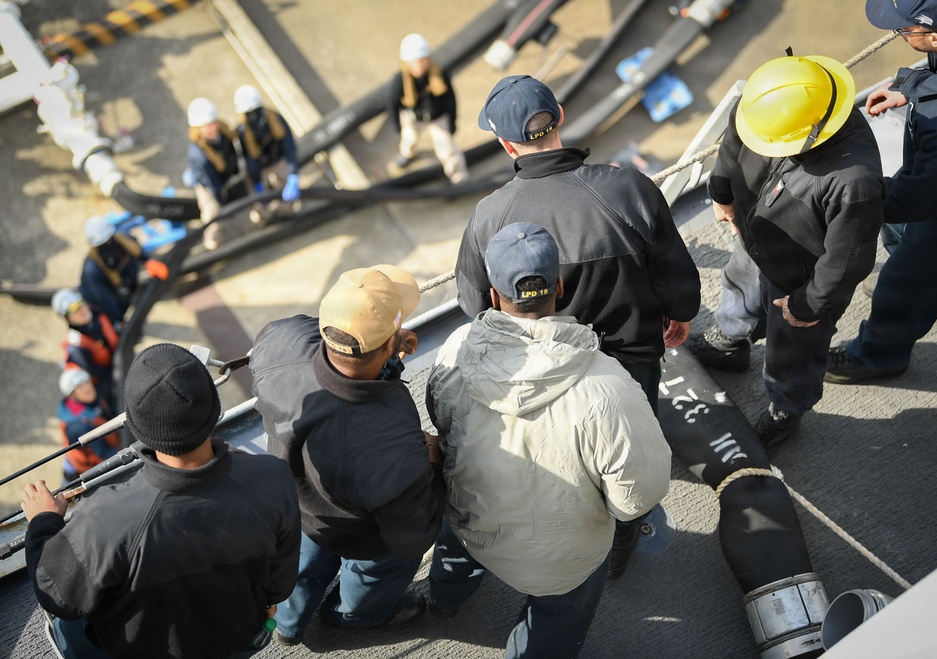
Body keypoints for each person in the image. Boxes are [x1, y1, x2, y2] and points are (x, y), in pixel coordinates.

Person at [455, 74, 700, 577]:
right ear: (560, 116)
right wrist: (680, 313)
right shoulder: (628, 187)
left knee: (562, 461)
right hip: (632, 363)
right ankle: (622, 544)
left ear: (506, 144)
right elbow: (674, 272)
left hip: (540, 372)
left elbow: (472, 301)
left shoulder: (489, 216)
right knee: (627, 450)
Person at [426, 222, 673, 659]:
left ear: (493, 293)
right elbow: (635, 501)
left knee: (454, 552)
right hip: (560, 563)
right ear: (560, 285)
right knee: (560, 619)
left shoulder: (454, 349)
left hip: (467, 525)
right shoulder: (610, 387)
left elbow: (440, 420)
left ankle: (443, 601)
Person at [22, 343, 301, 659]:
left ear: (138, 428)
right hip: (235, 640)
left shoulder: (105, 516)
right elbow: (279, 585)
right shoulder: (273, 476)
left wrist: (43, 522)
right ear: (214, 410)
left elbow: (60, 595)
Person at [685, 55, 885, 448]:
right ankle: (731, 342)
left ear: (813, 135)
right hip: (755, 237)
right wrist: (722, 194)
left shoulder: (854, 182)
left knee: (794, 352)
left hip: (801, 279)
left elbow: (846, 260)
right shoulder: (769, 99)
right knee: (738, 288)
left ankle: (786, 406)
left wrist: (809, 305)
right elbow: (734, 142)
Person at [250, 264, 445, 645]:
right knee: (384, 566)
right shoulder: (393, 443)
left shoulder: (280, 340)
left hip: (295, 510)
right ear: (391, 342)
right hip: (362, 533)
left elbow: (332, 356)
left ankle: (288, 627)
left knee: (299, 567)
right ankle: (351, 616)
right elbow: (411, 537)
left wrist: (386, 361)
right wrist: (433, 458)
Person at [826, 0, 937, 384]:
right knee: (904, 240)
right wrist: (914, 87)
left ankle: (878, 357)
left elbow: (917, 197)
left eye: (904, 28)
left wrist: (852, 194)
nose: (898, 31)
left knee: (901, 287)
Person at [387, 33, 469, 184]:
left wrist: (452, 121)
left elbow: (451, 99)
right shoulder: (400, 80)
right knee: (408, 139)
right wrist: (397, 126)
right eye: (415, 62)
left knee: (448, 149)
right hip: (413, 117)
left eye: (423, 60)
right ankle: (408, 154)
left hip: (437, 117)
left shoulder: (439, 74)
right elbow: (393, 104)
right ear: (407, 62)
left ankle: (458, 177)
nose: (420, 65)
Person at [79, 216, 168, 327]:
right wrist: (119, 319)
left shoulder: (124, 240)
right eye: (103, 244)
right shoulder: (92, 269)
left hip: (127, 285)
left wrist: (149, 261)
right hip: (106, 297)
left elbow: (137, 250)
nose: (108, 245)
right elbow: (105, 299)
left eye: (109, 240)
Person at [233, 85, 301, 224]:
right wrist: (257, 181)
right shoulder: (243, 130)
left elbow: (289, 146)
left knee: (284, 183)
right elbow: (250, 158)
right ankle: (264, 218)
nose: (252, 115)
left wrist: (293, 173)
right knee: (257, 195)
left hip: (277, 159)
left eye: (254, 111)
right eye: (248, 112)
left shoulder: (276, 119)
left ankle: (285, 212)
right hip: (260, 166)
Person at [184, 97, 242, 250]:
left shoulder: (224, 136)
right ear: (199, 129)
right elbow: (212, 183)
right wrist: (220, 199)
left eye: (214, 123)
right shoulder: (198, 155)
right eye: (208, 126)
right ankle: (213, 243)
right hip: (207, 184)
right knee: (212, 212)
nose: (213, 128)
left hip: (224, 175)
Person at [52, 288, 120, 406]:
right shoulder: (75, 346)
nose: (81, 311)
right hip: (104, 378)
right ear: (69, 318)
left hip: (116, 358)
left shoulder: (97, 313)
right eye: (75, 310)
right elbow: (95, 371)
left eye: (80, 305)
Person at [56, 367, 120, 485]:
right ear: (72, 395)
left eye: (86, 381)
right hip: (88, 473)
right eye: (79, 386)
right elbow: (106, 455)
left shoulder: (91, 399)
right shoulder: (80, 426)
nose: (86, 387)